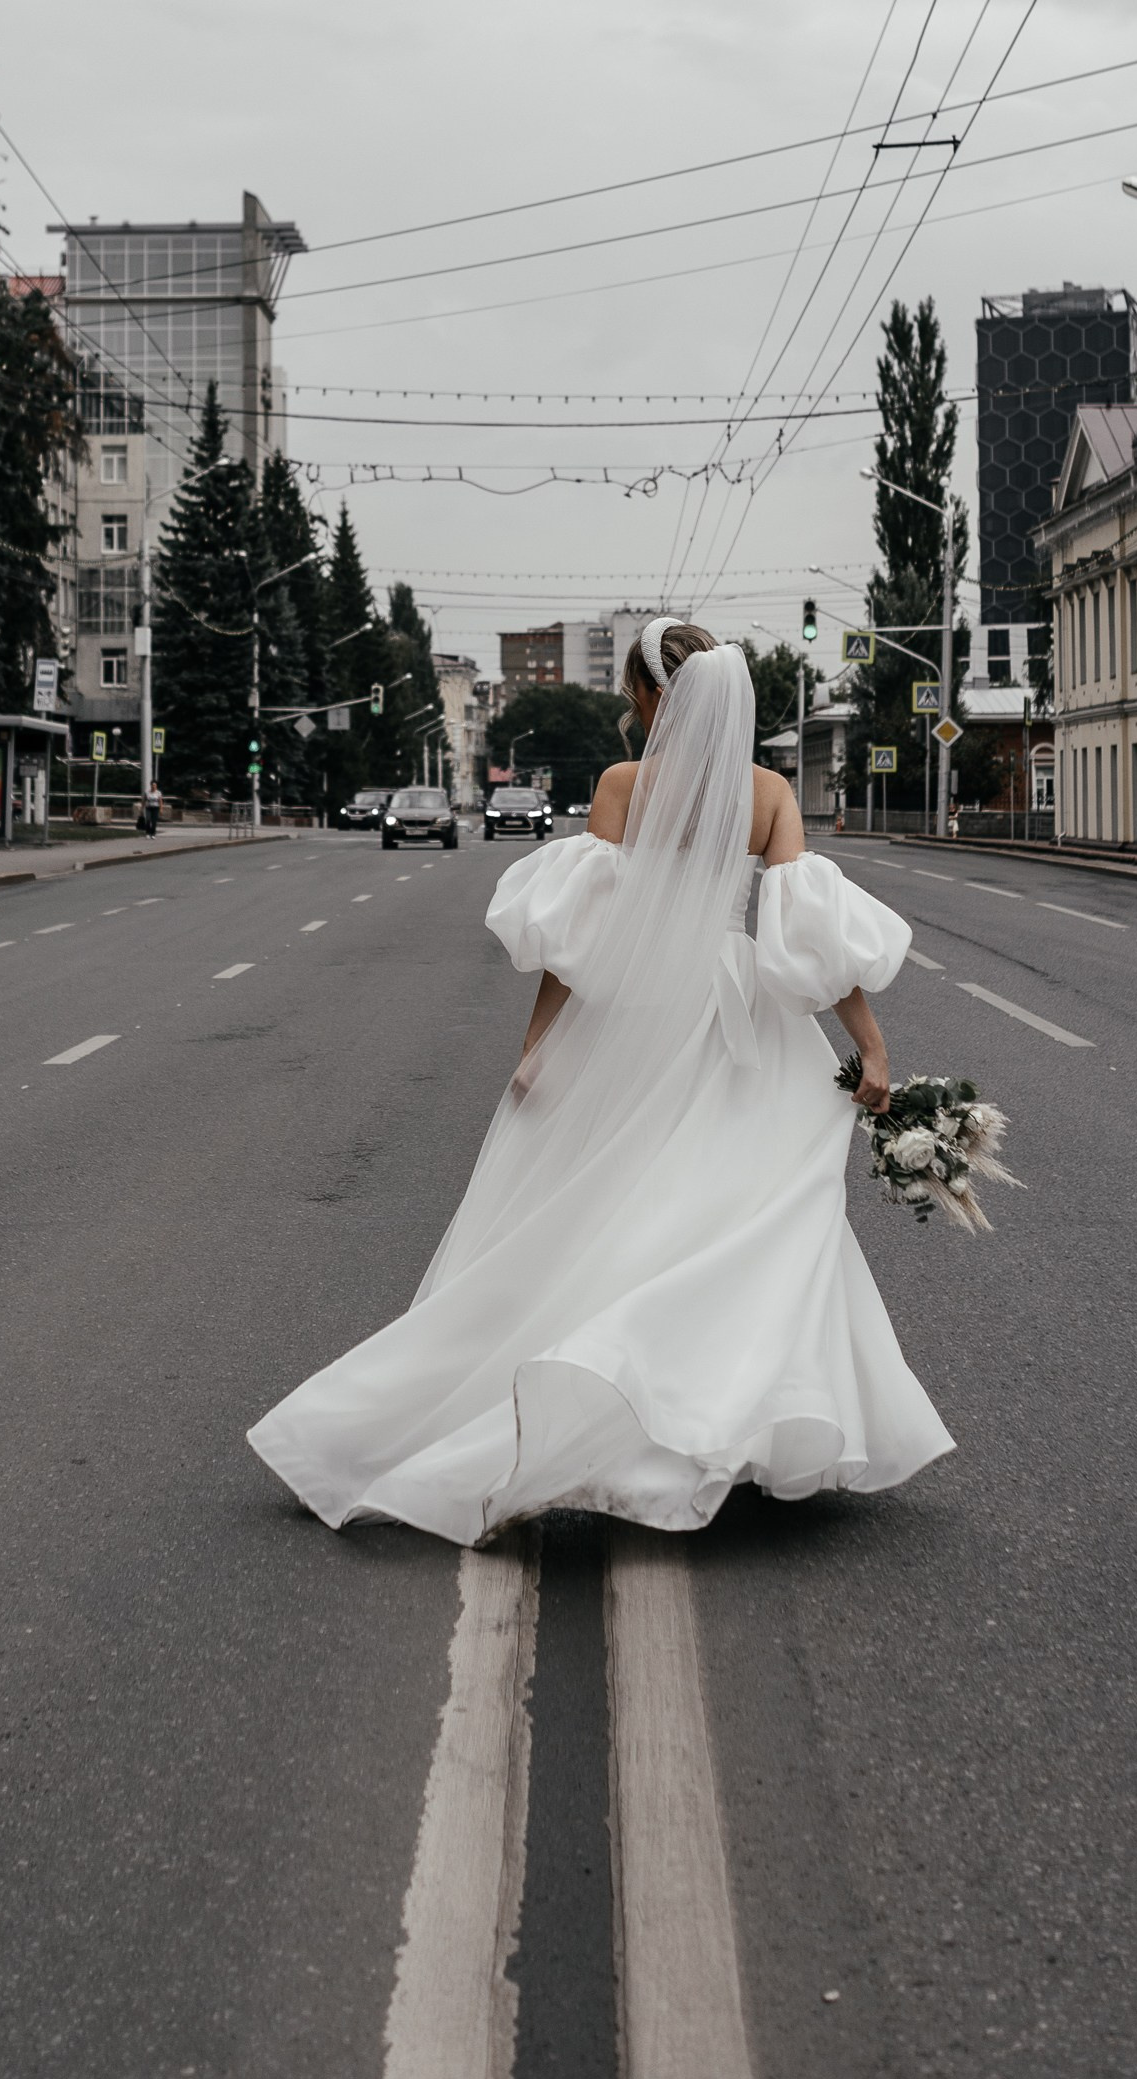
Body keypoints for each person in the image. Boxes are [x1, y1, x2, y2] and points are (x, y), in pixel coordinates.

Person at [248, 620, 952, 1540]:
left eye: (632, 697)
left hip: (638, 1015)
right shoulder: (769, 792)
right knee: (749, 1222)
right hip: (745, 1020)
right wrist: (874, 1049)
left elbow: (581, 942)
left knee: (603, 1215)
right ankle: (716, 1418)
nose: (631, 712)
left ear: (655, 697)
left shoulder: (626, 786)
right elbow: (809, 943)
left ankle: (583, 1411)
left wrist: (539, 1044)